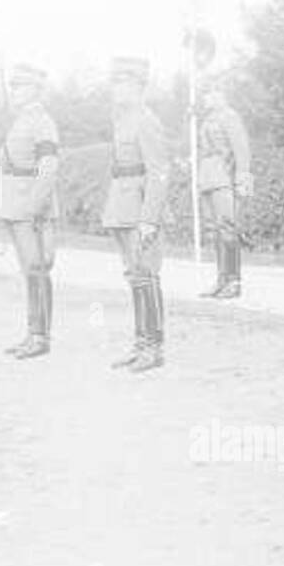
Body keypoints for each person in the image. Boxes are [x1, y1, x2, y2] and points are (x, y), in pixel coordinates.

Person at [0, 64, 60, 359]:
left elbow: (48, 169)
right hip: (17, 205)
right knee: (29, 271)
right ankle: (32, 333)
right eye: (13, 86)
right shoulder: (22, 121)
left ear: (37, 90)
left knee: (37, 269)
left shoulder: (42, 122)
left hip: (32, 207)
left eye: (21, 86)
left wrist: (34, 207)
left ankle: (40, 337)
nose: (14, 91)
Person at [101, 56, 171, 373]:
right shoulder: (122, 120)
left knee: (146, 276)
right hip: (121, 207)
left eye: (123, 82)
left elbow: (159, 173)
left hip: (141, 209)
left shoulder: (147, 120)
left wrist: (149, 219)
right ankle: (140, 343)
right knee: (135, 277)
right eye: (115, 82)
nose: (117, 88)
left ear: (139, 86)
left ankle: (153, 347)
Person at [190, 30, 252, 299]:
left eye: (210, 93)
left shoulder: (229, 117)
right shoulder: (206, 120)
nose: (206, 97)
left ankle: (234, 281)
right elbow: (204, 151)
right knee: (216, 230)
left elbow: (241, 151)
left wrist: (242, 180)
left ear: (220, 95)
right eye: (205, 93)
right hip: (209, 179)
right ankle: (220, 280)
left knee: (228, 229)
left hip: (225, 179)